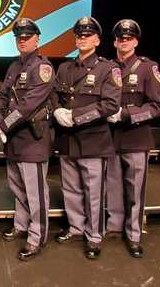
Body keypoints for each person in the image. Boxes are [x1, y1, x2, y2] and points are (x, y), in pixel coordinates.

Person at [52, 16, 122, 259]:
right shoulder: (64, 68)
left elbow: (111, 105)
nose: (83, 39)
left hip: (93, 139)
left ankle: (94, 235)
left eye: (88, 35)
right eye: (79, 35)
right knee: (70, 188)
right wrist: (57, 111)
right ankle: (75, 227)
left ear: (97, 39)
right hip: (67, 140)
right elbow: (54, 97)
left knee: (93, 191)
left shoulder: (108, 68)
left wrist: (76, 117)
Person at [0, 18, 55, 261]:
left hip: (33, 139)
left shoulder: (43, 67)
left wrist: (4, 124)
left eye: (27, 37)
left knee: (36, 192)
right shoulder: (13, 67)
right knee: (17, 187)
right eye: (19, 37)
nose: (22, 40)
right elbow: (1, 96)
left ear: (37, 39)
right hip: (13, 140)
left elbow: (29, 105)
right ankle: (21, 225)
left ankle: (36, 237)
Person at [105, 18, 160, 258]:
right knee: (114, 186)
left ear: (135, 41)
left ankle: (134, 234)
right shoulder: (107, 67)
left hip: (136, 138)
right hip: (110, 138)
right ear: (114, 42)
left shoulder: (147, 67)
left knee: (135, 190)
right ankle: (115, 227)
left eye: (128, 38)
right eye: (120, 38)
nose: (123, 42)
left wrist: (127, 115)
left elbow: (157, 106)